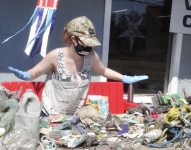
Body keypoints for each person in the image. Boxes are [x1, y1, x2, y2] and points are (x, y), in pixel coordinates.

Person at [8, 16, 148, 116]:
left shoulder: (91, 57)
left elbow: (104, 71)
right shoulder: (56, 56)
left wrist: (125, 78)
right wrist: (26, 75)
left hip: (74, 116)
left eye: (90, 43)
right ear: (73, 38)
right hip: (49, 114)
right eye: (85, 42)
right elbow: (35, 72)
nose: (88, 46)